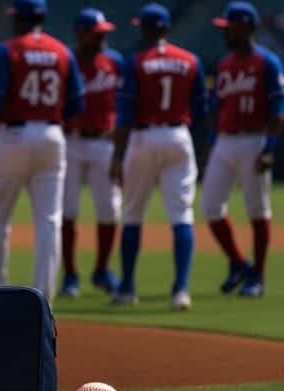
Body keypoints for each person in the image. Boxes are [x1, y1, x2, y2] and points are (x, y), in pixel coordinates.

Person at [0, 0, 84, 300]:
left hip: (14, 134)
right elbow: (77, 104)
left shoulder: (7, 51)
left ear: (18, 19)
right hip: (52, 134)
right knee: (49, 220)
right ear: (42, 18)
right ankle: (44, 300)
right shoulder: (62, 52)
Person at [109, 3, 206, 310]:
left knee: (134, 213)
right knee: (182, 214)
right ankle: (180, 290)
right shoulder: (190, 60)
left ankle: (127, 288)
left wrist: (117, 155)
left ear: (146, 29)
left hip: (143, 137)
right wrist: (200, 150)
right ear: (167, 29)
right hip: (179, 135)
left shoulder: (135, 61)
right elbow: (201, 112)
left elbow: (124, 115)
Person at [202, 1, 283, 298]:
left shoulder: (267, 62)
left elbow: (278, 109)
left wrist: (270, 148)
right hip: (225, 141)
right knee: (210, 208)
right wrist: (211, 146)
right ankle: (239, 263)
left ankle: (257, 277)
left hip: (254, 139)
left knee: (257, 211)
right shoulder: (224, 65)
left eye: (230, 27)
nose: (226, 32)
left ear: (246, 27)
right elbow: (217, 109)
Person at [60, 8, 123, 297]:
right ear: (81, 33)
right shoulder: (65, 61)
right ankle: (70, 274)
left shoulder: (115, 61)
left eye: (103, 33)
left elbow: (127, 102)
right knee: (67, 210)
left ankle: (101, 269)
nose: (101, 38)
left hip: (104, 142)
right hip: (71, 141)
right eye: (96, 34)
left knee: (109, 209)